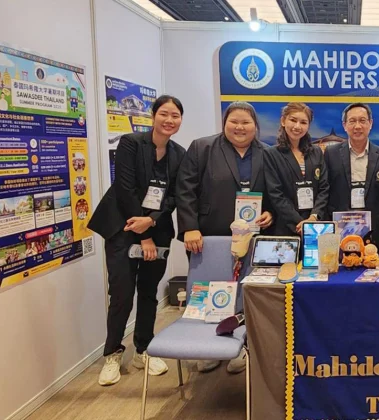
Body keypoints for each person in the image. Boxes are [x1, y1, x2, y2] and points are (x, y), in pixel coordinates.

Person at [88, 95, 186, 386]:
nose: (169, 120)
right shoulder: (131, 143)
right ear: (153, 115)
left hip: (157, 227)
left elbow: (174, 196)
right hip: (123, 227)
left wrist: (152, 222)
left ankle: (143, 349)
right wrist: (144, 234)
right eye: (164, 113)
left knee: (148, 291)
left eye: (175, 116)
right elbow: (125, 189)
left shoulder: (179, 154)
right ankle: (112, 354)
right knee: (121, 293)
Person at [176, 101, 273, 374]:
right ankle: (209, 348)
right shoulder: (202, 148)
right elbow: (185, 189)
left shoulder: (267, 153)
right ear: (224, 123)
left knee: (247, 292)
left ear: (255, 126)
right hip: (209, 234)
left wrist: (271, 214)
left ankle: (241, 347)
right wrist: (189, 226)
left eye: (246, 122)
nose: (240, 127)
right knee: (211, 290)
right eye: (234, 122)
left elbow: (275, 192)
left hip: (254, 237)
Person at [324, 103, 379, 249]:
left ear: (370, 123)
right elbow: (325, 191)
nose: (357, 126)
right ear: (344, 125)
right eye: (352, 121)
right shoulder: (331, 154)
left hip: (373, 230)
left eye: (362, 121)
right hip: (340, 228)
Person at [264, 103, 329, 235]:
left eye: (303, 122)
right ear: (283, 121)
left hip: (315, 225)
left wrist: (313, 217)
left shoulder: (316, 152)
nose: (297, 126)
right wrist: (298, 222)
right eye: (293, 120)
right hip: (286, 226)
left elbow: (324, 188)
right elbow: (276, 194)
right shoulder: (271, 154)